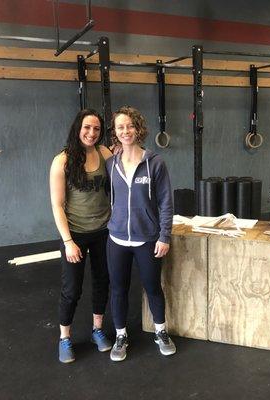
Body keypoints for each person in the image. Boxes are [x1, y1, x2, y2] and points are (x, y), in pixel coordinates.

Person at [105, 106, 175, 362]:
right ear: (115, 131)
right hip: (117, 240)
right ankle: (120, 335)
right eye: (120, 127)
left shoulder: (155, 162)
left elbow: (166, 202)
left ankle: (161, 331)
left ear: (138, 128)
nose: (125, 131)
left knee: (153, 288)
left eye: (130, 126)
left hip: (147, 239)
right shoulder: (110, 164)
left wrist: (164, 235)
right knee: (118, 289)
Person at [49, 109, 113, 363]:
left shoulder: (105, 154)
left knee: (102, 282)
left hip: (104, 232)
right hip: (75, 234)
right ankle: (65, 337)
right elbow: (57, 205)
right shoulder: (62, 161)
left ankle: (97, 330)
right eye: (87, 127)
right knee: (71, 289)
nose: (91, 133)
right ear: (78, 128)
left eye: (96, 129)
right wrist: (67, 242)